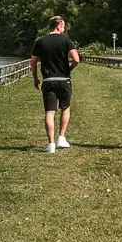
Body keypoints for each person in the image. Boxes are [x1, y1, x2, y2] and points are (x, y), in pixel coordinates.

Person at [31, 16, 80, 154]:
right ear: (59, 26)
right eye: (63, 27)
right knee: (65, 108)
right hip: (64, 79)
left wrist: (36, 78)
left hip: (48, 80)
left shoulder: (40, 41)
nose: (64, 29)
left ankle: (51, 144)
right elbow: (76, 59)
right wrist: (69, 69)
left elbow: (33, 62)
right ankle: (62, 138)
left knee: (49, 112)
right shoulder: (66, 40)